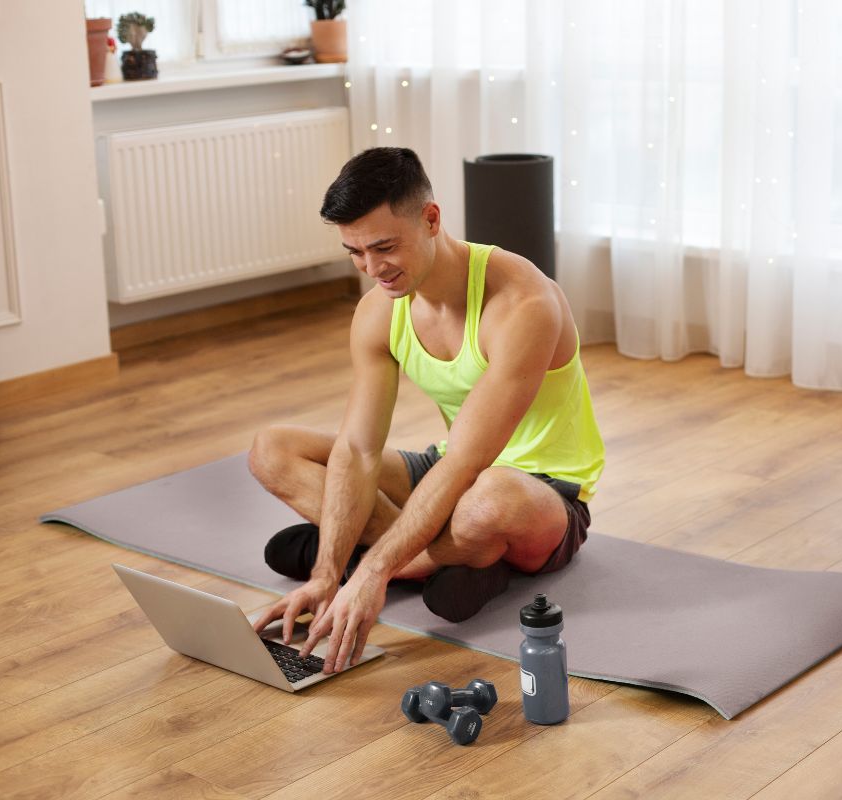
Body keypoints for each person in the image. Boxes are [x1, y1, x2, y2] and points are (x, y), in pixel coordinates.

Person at [248, 147, 605, 675]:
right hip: (444, 472)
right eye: (355, 253)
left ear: (431, 219)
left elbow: (468, 461)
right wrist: (326, 573)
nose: (373, 268)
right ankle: (453, 565)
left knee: (489, 499)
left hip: (538, 493)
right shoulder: (379, 309)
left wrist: (372, 570)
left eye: (384, 247)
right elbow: (358, 448)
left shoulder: (522, 303)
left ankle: (398, 555)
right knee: (272, 450)